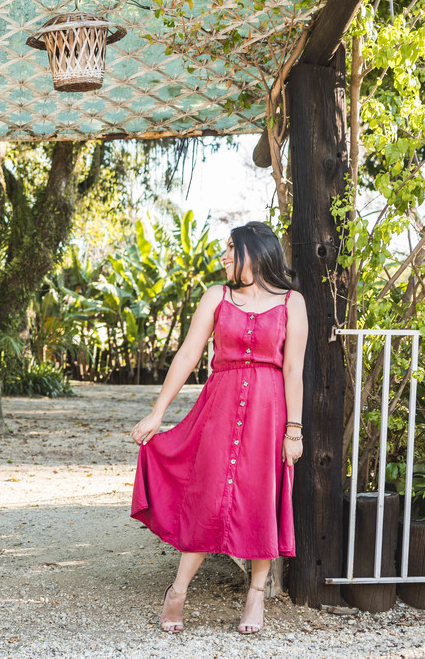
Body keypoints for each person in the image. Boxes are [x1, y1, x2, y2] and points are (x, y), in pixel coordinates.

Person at [129, 221, 306, 635]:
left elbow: (294, 368)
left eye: (231, 248)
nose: (224, 256)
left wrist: (293, 429)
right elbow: (188, 354)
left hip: (269, 412)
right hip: (220, 408)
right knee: (208, 497)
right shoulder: (216, 296)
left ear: (255, 252)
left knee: (262, 497)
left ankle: (256, 595)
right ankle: (178, 591)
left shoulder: (291, 302)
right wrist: (158, 413)